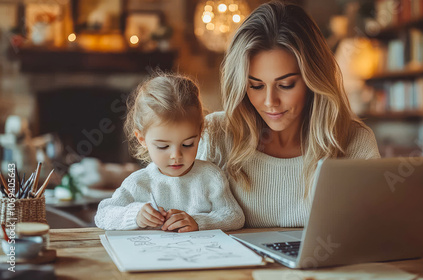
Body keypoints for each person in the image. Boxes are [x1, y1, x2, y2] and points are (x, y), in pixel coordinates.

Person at [197, 1, 380, 228]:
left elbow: (375, 229)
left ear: (314, 79)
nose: (269, 102)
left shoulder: (354, 140)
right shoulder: (215, 134)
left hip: (325, 264)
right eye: (255, 86)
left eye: (286, 85)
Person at [95, 72, 244, 232]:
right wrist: (135, 215)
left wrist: (198, 221)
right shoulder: (139, 183)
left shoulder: (211, 178)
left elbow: (234, 216)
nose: (176, 156)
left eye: (187, 144)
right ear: (142, 139)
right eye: (163, 146)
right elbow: (102, 215)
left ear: (200, 132)